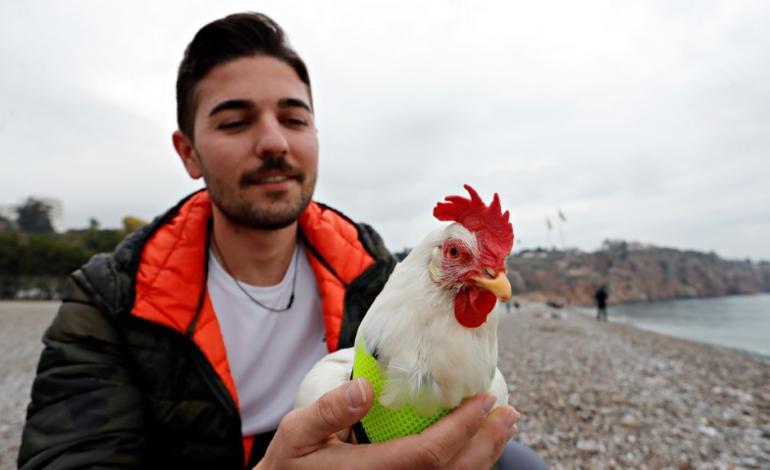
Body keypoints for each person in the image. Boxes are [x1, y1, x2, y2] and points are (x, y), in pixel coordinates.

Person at [18, 12, 544, 469]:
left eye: (293, 118)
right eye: (235, 122)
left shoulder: (367, 266)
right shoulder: (112, 302)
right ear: (188, 153)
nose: (273, 142)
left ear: (314, 136)